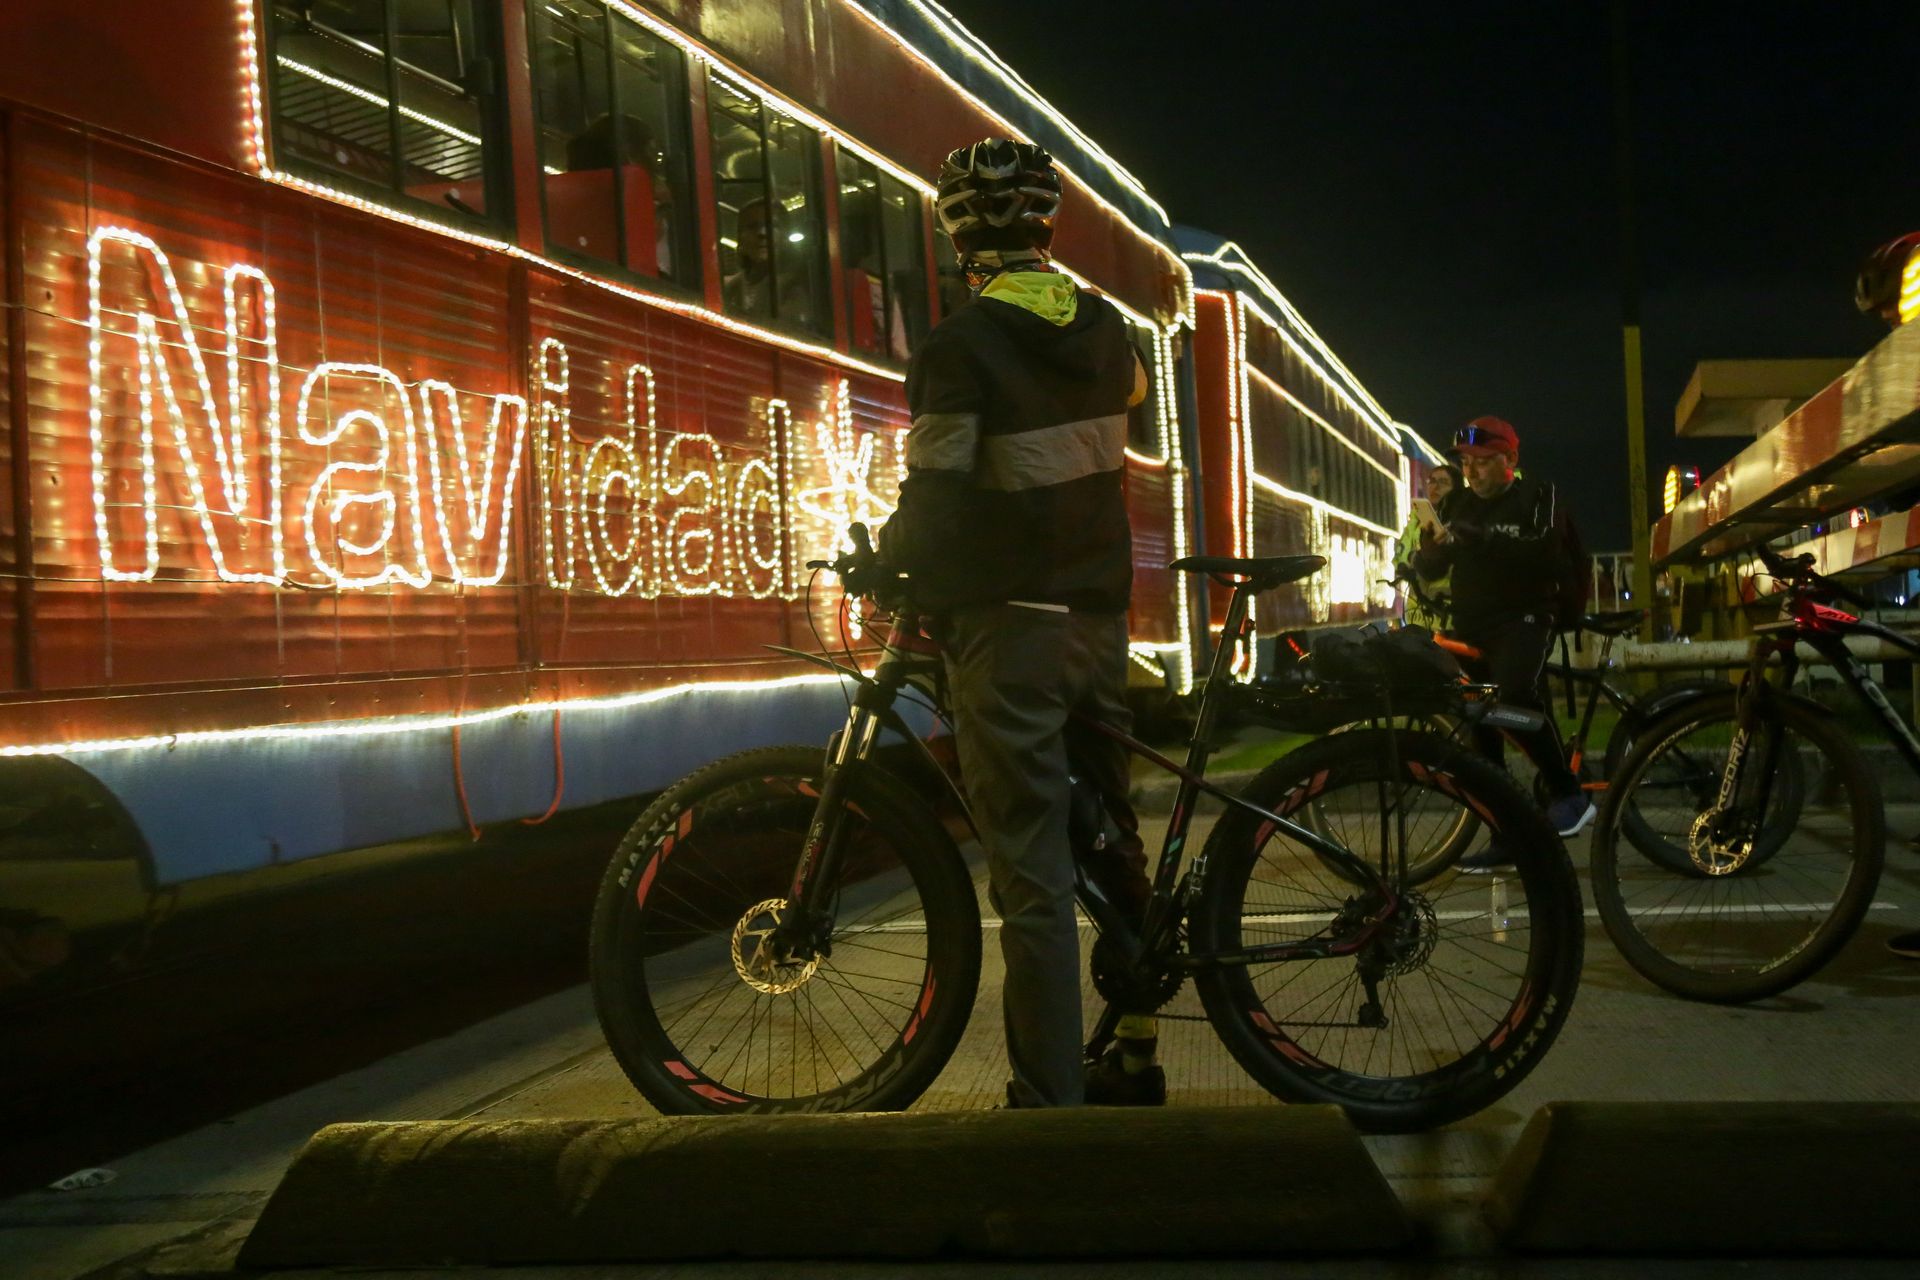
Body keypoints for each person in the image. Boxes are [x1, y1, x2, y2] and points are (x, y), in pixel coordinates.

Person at [876, 138, 1159, 1108]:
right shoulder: (1110, 330)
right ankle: (1135, 1051)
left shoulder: (958, 347)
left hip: (1011, 627)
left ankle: (1048, 1098)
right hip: (1099, 617)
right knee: (1109, 827)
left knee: (1032, 869)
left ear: (959, 241)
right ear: (1048, 227)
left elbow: (940, 489)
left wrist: (888, 554)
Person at [1413, 416, 1594, 861]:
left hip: (1526, 618)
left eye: (1482, 461)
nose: (1471, 471)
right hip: (1473, 626)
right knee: (1481, 726)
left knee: (1513, 699)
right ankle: (1505, 833)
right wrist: (1430, 550)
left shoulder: (1539, 495)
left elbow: (1545, 552)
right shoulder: (1456, 504)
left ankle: (1570, 794)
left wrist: (1483, 539)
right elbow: (1433, 570)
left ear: (1510, 459)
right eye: (1465, 463)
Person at [1396, 463, 1459, 629]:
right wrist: (1412, 560)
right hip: (1417, 614)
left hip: (1448, 618)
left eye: (1443, 482)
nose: (1435, 486)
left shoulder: (1462, 522)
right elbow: (1400, 555)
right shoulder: (1416, 520)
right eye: (1431, 481)